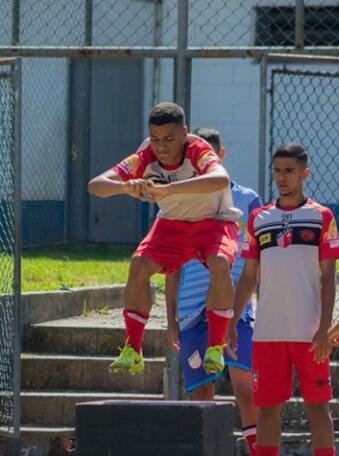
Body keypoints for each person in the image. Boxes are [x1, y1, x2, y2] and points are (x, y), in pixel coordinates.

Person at [88, 102, 241, 376]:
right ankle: (133, 349)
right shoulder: (144, 154)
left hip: (213, 222)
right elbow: (95, 185)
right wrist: (124, 187)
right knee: (138, 265)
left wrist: (169, 190)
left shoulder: (198, 149)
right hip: (172, 225)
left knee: (219, 263)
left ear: (184, 133)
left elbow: (220, 179)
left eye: (169, 139)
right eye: (156, 139)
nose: (161, 147)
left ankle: (216, 345)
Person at [232, 143, 338, 456]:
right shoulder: (258, 219)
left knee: (318, 407)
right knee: (266, 409)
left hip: (309, 333)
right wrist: (232, 321)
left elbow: (329, 276)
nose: (282, 177)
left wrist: (323, 326)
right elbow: (249, 276)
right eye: (277, 170)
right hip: (267, 333)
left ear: (304, 173)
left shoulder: (322, 216)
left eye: (289, 171)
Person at [165, 127, 259, 455]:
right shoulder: (179, 201)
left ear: (221, 156)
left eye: (211, 158)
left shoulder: (247, 200)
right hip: (192, 314)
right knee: (202, 394)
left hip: (235, 311)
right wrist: (170, 319)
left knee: (245, 389)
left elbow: (252, 262)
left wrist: (241, 309)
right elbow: (172, 265)